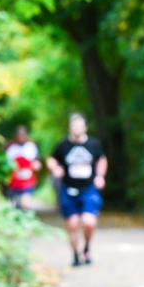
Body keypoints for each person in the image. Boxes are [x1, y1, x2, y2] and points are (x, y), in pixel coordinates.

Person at [46, 113, 107, 267]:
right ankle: (75, 255)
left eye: (80, 125)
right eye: (74, 125)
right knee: (72, 224)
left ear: (85, 127)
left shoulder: (93, 144)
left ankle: (86, 248)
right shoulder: (63, 145)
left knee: (89, 222)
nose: (77, 128)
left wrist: (100, 176)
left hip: (88, 188)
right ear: (70, 127)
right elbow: (51, 159)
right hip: (69, 189)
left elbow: (101, 159)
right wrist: (55, 168)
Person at [5, 125, 42, 210]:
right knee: (15, 206)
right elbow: (5, 165)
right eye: (19, 135)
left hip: (28, 182)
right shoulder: (11, 148)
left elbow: (38, 161)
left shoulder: (31, 147)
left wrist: (36, 165)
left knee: (25, 204)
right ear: (16, 136)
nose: (21, 137)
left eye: (23, 135)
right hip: (14, 182)